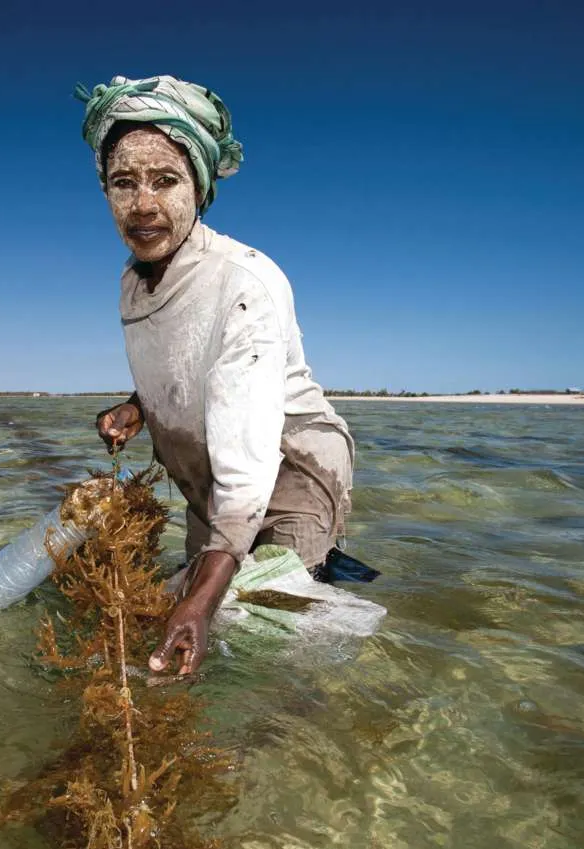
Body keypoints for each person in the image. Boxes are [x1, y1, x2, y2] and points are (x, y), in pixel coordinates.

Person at [75, 75, 369, 678]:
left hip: (286, 466)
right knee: (192, 622)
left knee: (266, 643)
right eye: (123, 183)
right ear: (103, 191)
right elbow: (188, 362)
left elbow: (248, 446)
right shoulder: (133, 282)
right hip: (209, 476)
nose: (144, 205)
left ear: (200, 189)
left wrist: (202, 602)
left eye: (166, 181)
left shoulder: (244, 283)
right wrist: (137, 407)